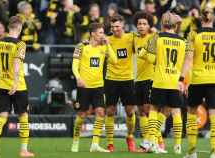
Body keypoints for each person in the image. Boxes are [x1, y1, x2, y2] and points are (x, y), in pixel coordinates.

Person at [180, 7, 215, 158]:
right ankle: (213, 153)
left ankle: (192, 152)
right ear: (214, 18)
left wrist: (182, 79)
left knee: (191, 113)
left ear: (201, 19)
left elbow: (188, 60)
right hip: (214, 80)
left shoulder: (194, 34)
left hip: (197, 80)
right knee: (214, 116)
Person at [138, 11, 186, 154]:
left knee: (153, 109)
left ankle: (151, 142)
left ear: (162, 23)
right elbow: (185, 62)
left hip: (159, 79)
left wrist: (152, 57)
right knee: (176, 111)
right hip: (174, 81)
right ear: (175, 25)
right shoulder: (183, 41)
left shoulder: (157, 37)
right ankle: (177, 146)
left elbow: (146, 57)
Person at [0, 16, 34, 158]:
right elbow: (16, 63)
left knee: (1, 117)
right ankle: (23, 150)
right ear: (19, 29)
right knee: (23, 117)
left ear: (8, 27)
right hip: (18, 86)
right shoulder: (20, 44)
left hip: (1, 85)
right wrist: (14, 81)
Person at [70, 22, 117, 152]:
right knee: (82, 115)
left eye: (103, 32)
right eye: (101, 32)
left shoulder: (103, 47)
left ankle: (95, 144)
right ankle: (75, 140)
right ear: (92, 34)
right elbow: (74, 65)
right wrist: (78, 78)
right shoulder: (81, 46)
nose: (103, 35)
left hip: (98, 86)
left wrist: (108, 44)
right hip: (84, 86)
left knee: (101, 113)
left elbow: (114, 60)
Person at [133, 11, 166, 153]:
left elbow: (163, 39)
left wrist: (156, 31)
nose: (141, 26)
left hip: (150, 78)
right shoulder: (133, 39)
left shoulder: (154, 37)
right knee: (141, 112)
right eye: (139, 24)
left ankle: (149, 143)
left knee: (148, 110)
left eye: (144, 24)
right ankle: (156, 141)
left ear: (149, 26)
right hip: (138, 79)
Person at [104, 15, 136, 152]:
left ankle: (129, 136)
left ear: (123, 26)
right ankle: (110, 143)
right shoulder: (107, 40)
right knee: (110, 111)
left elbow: (141, 47)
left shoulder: (131, 38)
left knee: (130, 112)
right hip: (111, 79)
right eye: (112, 27)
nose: (115, 29)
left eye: (117, 26)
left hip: (127, 79)